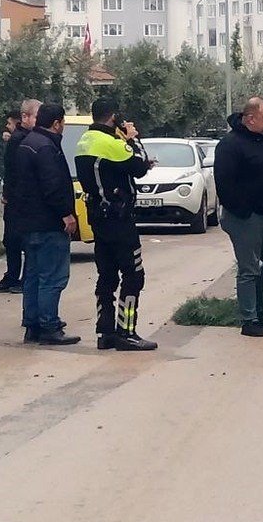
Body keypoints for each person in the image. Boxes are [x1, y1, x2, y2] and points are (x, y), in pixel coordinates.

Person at [75, 98, 157, 352]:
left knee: (106, 276)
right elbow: (140, 166)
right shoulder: (111, 144)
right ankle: (127, 332)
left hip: (98, 218)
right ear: (113, 119)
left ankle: (105, 331)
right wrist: (132, 138)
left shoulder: (84, 141)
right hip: (120, 219)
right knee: (134, 276)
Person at [214, 96, 263, 337]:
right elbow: (224, 183)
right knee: (249, 269)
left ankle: (256, 305)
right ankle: (250, 318)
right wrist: (243, 210)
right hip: (246, 217)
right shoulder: (230, 144)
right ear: (250, 118)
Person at [10, 102, 80, 345]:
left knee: (32, 276)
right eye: (63, 124)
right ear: (56, 123)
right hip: (49, 224)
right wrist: (66, 214)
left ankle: (32, 325)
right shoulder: (47, 148)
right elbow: (52, 186)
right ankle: (49, 326)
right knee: (53, 277)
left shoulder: (26, 144)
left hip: (28, 223)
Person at [0, 100, 40, 294]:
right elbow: (13, 170)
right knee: (16, 240)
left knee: (15, 240)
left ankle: (15, 277)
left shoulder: (21, 138)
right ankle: (16, 278)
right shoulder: (24, 138)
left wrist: (7, 193)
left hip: (17, 198)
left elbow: (11, 170)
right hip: (20, 198)